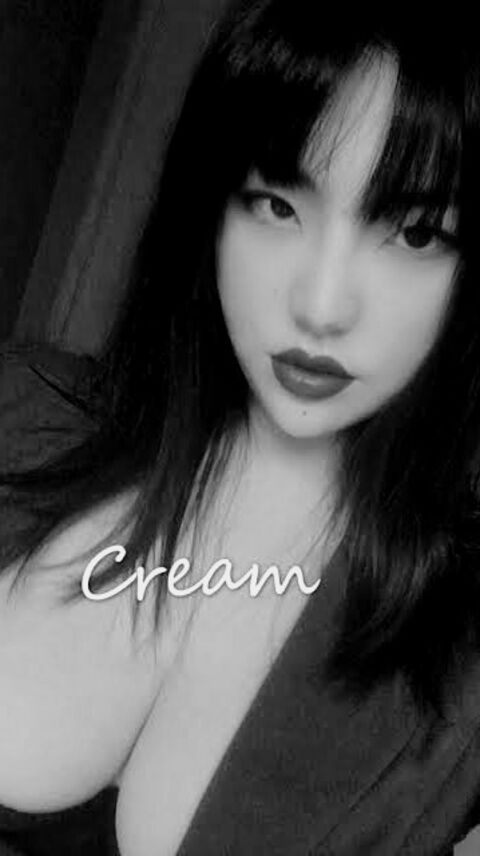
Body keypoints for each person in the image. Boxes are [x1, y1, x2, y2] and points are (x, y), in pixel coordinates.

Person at [1, 1, 480, 853]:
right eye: (276, 205)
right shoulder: (20, 409)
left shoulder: (456, 672)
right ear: (209, 211)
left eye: (414, 232)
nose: (321, 305)